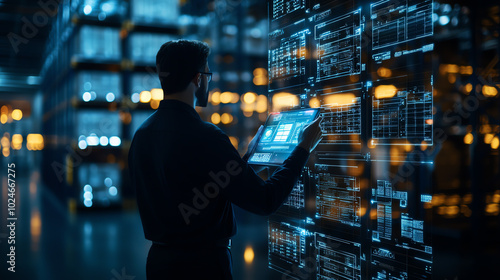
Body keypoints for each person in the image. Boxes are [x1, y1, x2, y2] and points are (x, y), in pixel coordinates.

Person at [127, 39, 322, 280]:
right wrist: (303, 148)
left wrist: (247, 160)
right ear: (198, 79)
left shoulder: (142, 135)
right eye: (207, 74)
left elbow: (201, 181)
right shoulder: (206, 136)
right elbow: (264, 200)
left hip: (158, 264)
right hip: (203, 268)